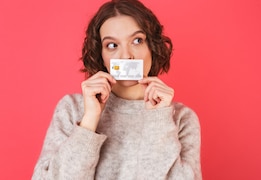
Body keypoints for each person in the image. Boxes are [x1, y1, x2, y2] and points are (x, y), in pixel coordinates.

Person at [32, 0, 202, 179]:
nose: (126, 56)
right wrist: (89, 121)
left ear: (152, 46)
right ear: (101, 55)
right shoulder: (72, 109)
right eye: (112, 45)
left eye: (137, 41)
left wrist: (158, 121)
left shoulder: (181, 119)